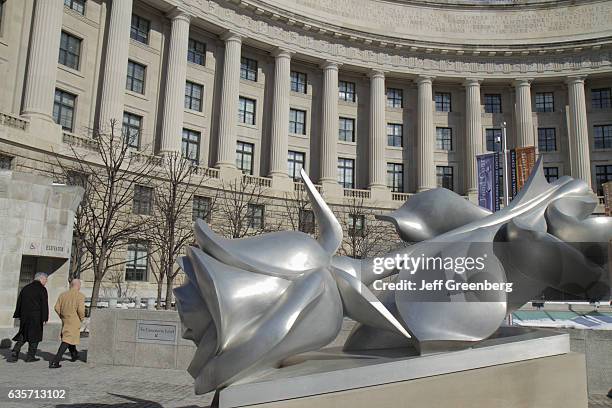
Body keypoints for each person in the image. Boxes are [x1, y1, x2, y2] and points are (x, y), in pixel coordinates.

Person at [9, 272, 49, 362]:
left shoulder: (26, 288)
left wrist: (18, 314)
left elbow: (19, 302)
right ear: (41, 278)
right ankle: (30, 356)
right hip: (36, 317)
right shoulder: (42, 289)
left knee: (24, 333)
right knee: (35, 336)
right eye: (46, 280)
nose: (46, 282)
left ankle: (16, 350)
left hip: (25, 316)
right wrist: (45, 318)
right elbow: (44, 304)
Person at [49, 279, 85, 369]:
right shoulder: (80, 296)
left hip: (65, 319)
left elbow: (56, 307)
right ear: (78, 285)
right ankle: (55, 361)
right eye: (80, 285)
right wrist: (82, 318)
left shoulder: (63, 295)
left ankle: (74, 354)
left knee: (69, 337)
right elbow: (81, 310)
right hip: (74, 320)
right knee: (67, 339)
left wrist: (62, 316)